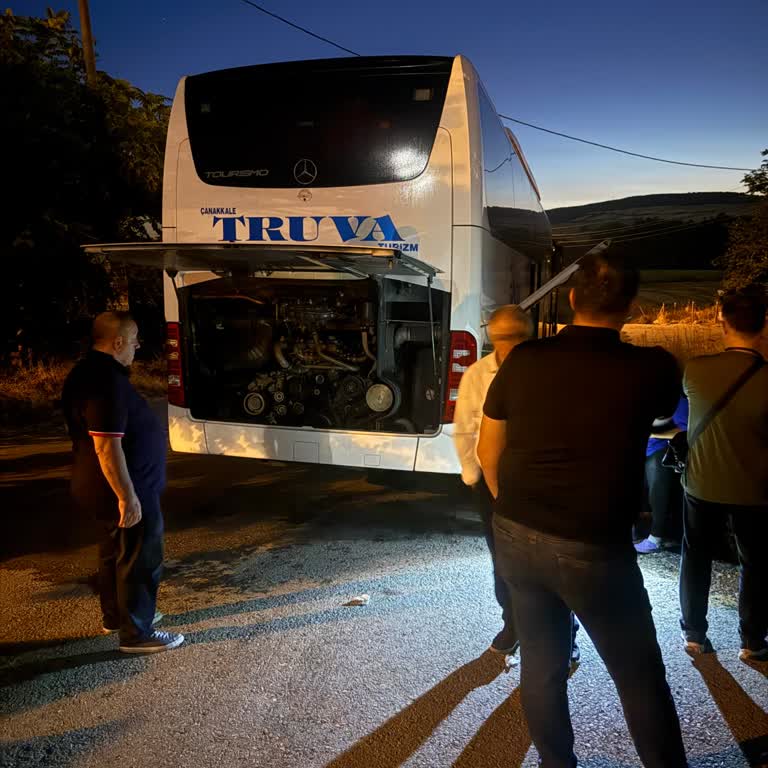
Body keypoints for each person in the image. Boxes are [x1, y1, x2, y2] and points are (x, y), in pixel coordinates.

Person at [478, 252, 687, 768]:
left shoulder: (523, 359)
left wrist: (515, 515)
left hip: (517, 532)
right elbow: (674, 420)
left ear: (572, 298)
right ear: (632, 308)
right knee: (638, 674)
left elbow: (488, 451)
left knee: (542, 666)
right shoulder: (653, 366)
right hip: (595, 549)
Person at [62, 311, 184, 654]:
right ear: (117, 342)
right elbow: (106, 443)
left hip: (94, 484)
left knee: (114, 553)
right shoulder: (107, 381)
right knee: (140, 557)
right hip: (122, 487)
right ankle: (137, 634)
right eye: (134, 341)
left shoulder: (84, 371)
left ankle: (117, 617)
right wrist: (127, 496)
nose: (137, 347)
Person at [679, 285, 768, 662]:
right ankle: (752, 640)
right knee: (758, 562)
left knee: (695, 556)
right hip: (756, 488)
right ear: (763, 326)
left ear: (723, 323)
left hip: (701, 483)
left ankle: (695, 635)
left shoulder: (696, 369)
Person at [453, 305, 533, 653]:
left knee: (546, 561)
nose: (507, 345)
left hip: (534, 483)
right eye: (501, 338)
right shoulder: (477, 374)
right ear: (492, 338)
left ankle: (562, 634)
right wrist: (473, 477)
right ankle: (512, 623)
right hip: (490, 485)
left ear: (527, 336)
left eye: (515, 337)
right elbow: (465, 427)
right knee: (501, 559)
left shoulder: (544, 370)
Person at [634, 396, 688, 554]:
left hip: (660, 451)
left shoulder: (678, 400)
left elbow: (683, 431)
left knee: (658, 494)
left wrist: (651, 434)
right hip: (646, 450)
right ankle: (642, 534)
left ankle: (656, 538)